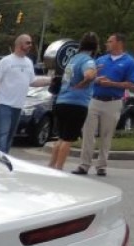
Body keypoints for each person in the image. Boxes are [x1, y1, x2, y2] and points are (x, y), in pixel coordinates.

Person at [73, 33, 134, 177]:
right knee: (88, 133)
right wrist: (96, 78)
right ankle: (84, 164)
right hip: (94, 99)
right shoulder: (101, 59)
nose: (106, 44)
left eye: (110, 41)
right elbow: (90, 76)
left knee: (106, 134)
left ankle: (101, 165)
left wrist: (112, 84)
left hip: (113, 101)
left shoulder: (130, 62)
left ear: (119, 43)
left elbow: (131, 84)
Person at [48, 33, 98, 170]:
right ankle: (59, 168)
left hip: (61, 100)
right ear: (95, 47)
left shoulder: (73, 59)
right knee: (68, 139)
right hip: (77, 103)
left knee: (60, 137)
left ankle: (51, 165)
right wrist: (86, 81)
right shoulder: (88, 60)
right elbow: (89, 74)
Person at [0, 34, 37, 153]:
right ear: (19, 44)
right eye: (27, 43)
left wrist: (51, 81)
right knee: (2, 135)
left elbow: (33, 81)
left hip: (17, 106)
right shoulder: (6, 61)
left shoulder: (28, 62)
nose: (30, 45)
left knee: (9, 138)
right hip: (3, 104)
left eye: (31, 43)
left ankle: (3, 160)